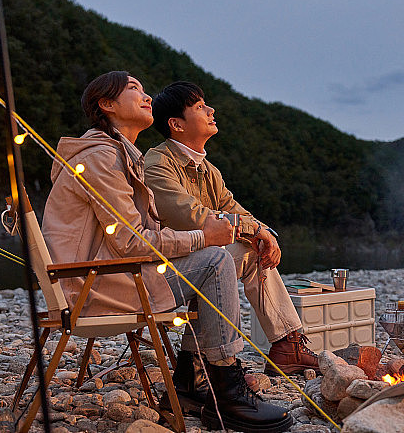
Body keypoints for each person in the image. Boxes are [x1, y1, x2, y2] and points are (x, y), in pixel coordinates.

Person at [41, 71, 292, 432]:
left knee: (220, 257)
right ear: (107, 105)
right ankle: (224, 386)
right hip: (97, 288)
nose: (146, 98)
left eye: (144, 90)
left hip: (113, 275)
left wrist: (243, 231)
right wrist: (203, 238)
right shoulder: (102, 159)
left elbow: (147, 234)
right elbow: (131, 241)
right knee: (216, 260)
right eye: (134, 90)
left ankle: (197, 379)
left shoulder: (120, 155)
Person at [144, 81, 320, 386]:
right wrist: (256, 231)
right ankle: (209, 364)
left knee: (254, 251)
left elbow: (234, 210)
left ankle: (288, 344)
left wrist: (262, 232)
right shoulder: (158, 164)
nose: (211, 110)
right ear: (176, 124)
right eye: (199, 107)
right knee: (229, 257)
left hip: (198, 260)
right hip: (166, 268)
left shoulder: (208, 171)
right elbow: (195, 218)